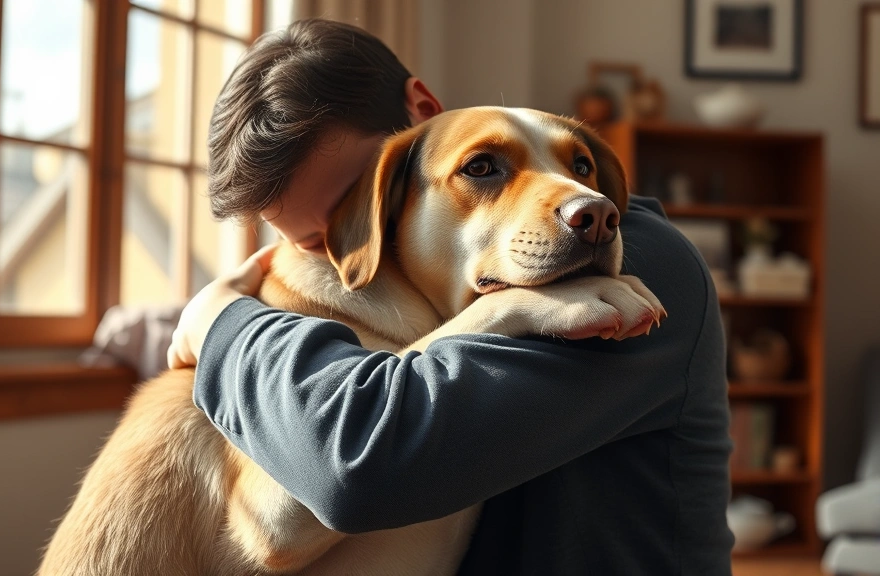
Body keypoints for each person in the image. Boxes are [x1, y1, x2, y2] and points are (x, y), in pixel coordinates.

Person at [168, 19, 733, 575]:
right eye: (318, 241)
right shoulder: (437, 294)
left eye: (366, 202)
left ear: (424, 113)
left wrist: (220, 320)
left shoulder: (642, 265)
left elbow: (356, 463)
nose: (358, 247)